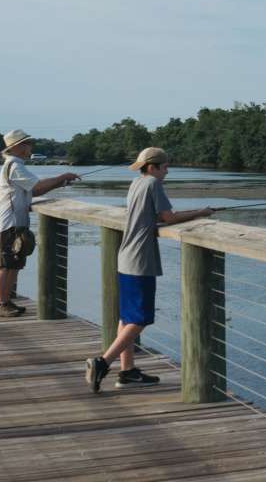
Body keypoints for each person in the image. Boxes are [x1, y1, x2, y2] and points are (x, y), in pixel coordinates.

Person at [85, 147, 213, 391]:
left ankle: (128, 372)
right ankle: (102, 362)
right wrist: (202, 212)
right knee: (141, 318)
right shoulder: (154, 184)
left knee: (127, 317)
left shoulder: (136, 183)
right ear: (153, 167)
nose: (167, 171)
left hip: (126, 256)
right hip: (140, 260)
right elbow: (169, 218)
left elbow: (149, 217)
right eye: (165, 167)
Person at [0, 129, 79, 318]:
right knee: (5, 264)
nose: (29, 146)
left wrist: (59, 183)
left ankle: (6, 301)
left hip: (16, 221)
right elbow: (37, 186)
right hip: (9, 222)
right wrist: (62, 177)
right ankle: (0, 303)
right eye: (26, 143)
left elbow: (34, 191)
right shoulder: (14, 165)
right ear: (16, 147)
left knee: (14, 264)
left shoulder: (16, 165)